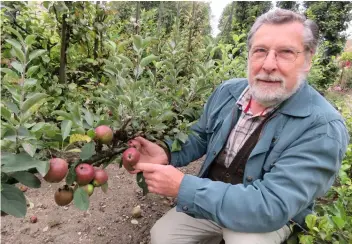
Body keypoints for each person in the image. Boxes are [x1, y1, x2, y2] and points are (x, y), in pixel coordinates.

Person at [128, 8, 349, 244]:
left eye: (285, 52)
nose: (268, 65)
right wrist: (167, 152)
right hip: (211, 200)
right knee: (162, 237)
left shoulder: (322, 127)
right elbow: (202, 136)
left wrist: (183, 187)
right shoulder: (229, 92)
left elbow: (271, 205)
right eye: (260, 51)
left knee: (245, 241)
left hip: (268, 217)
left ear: (307, 59)